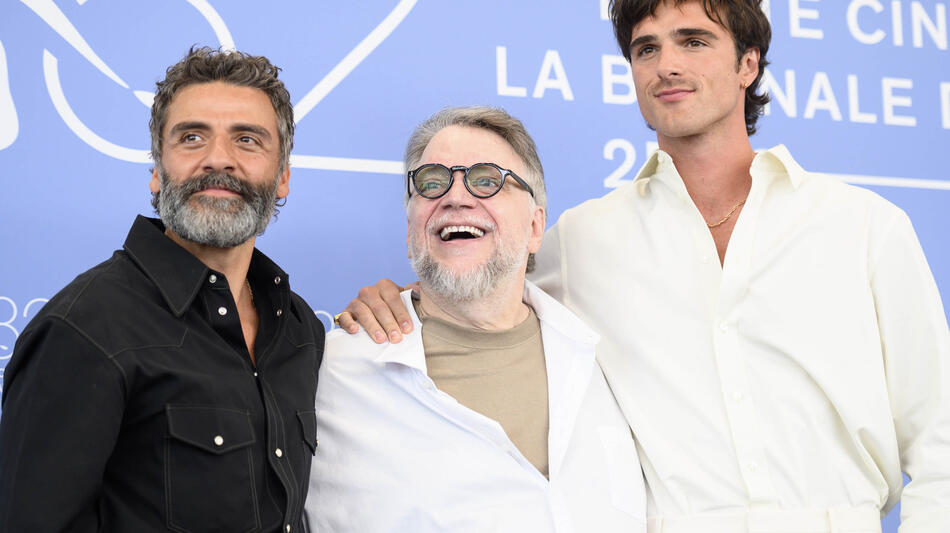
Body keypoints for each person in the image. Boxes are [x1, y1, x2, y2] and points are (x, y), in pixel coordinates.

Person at [338, 1, 950, 531]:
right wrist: (398, 301)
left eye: (694, 40)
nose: (667, 65)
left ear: (748, 63)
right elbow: (478, 285)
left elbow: (939, 441)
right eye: (645, 48)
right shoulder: (580, 239)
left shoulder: (863, 226)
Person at [0, 47, 324, 533]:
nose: (219, 159)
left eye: (248, 140)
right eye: (192, 137)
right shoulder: (84, 329)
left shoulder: (299, 328)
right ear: (157, 169)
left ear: (283, 178)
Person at [304, 106, 645, 532]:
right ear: (411, 233)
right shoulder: (327, 376)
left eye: (487, 180)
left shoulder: (605, 358)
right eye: (431, 183)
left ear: (536, 227)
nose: (456, 196)